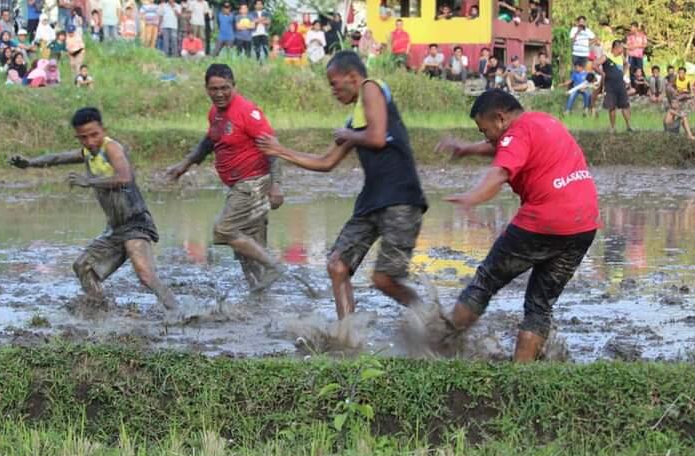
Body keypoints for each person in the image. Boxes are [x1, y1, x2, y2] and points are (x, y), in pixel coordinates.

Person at [256, 51, 428, 321]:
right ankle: (348, 333)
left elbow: (378, 138)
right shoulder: (355, 122)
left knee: (384, 280)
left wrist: (348, 134)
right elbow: (326, 162)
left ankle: (434, 321)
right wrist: (281, 151)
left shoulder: (370, 87)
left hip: (400, 199)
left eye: (334, 83)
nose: (333, 91)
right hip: (371, 201)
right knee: (337, 266)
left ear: (352, 77)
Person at [434, 89, 599, 361]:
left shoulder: (516, 133)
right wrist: (466, 150)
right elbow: (504, 146)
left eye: (483, 130)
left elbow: (501, 169)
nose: (484, 137)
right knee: (539, 305)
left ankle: (439, 352)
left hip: (545, 220)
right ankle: (522, 375)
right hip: (584, 225)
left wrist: (473, 197)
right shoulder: (543, 121)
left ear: (500, 118)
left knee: (485, 282)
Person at [9, 108, 178, 310]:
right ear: (77, 137)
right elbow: (57, 158)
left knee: (145, 275)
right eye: (83, 137)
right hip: (115, 229)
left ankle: (179, 313)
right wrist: (30, 163)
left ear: (103, 130)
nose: (90, 141)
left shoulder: (112, 148)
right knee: (83, 267)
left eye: (94, 135)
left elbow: (125, 177)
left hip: (135, 223)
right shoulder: (88, 153)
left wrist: (90, 181)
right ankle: (100, 310)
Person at [166, 64, 286, 292]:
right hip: (238, 186)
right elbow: (209, 141)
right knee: (248, 250)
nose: (219, 94)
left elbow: (273, 148)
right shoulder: (215, 113)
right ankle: (260, 300)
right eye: (214, 89)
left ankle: (275, 266)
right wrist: (184, 165)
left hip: (254, 183)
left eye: (225, 88)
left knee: (224, 230)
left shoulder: (248, 112)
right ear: (206, 89)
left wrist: (277, 186)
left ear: (234, 86)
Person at [594, 40, 633, 134]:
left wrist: (622, 74)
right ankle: (612, 127)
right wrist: (602, 73)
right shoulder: (606, 56)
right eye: (621, 48)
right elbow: (594, 65)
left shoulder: (621, 57)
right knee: (612, 107)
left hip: (621, 85)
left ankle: (629, 126)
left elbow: (627, 64)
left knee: (625, 105)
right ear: (616, 47)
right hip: (610, 86)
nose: (622, 50)